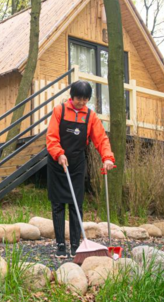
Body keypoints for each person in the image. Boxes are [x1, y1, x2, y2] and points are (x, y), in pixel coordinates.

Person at [46, 80, 115, 258]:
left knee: (76, 205)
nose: (82, 102)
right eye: (79, 98)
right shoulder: (59, 111)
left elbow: (101, 139)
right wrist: (59, 153)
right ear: (72, 96)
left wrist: (107, 157)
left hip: (76, 164)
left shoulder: (90, 116)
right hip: (58, 162)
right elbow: (52, 137)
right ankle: (61, 245)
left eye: (85, 99)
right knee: (58, 204)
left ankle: (76, 245)